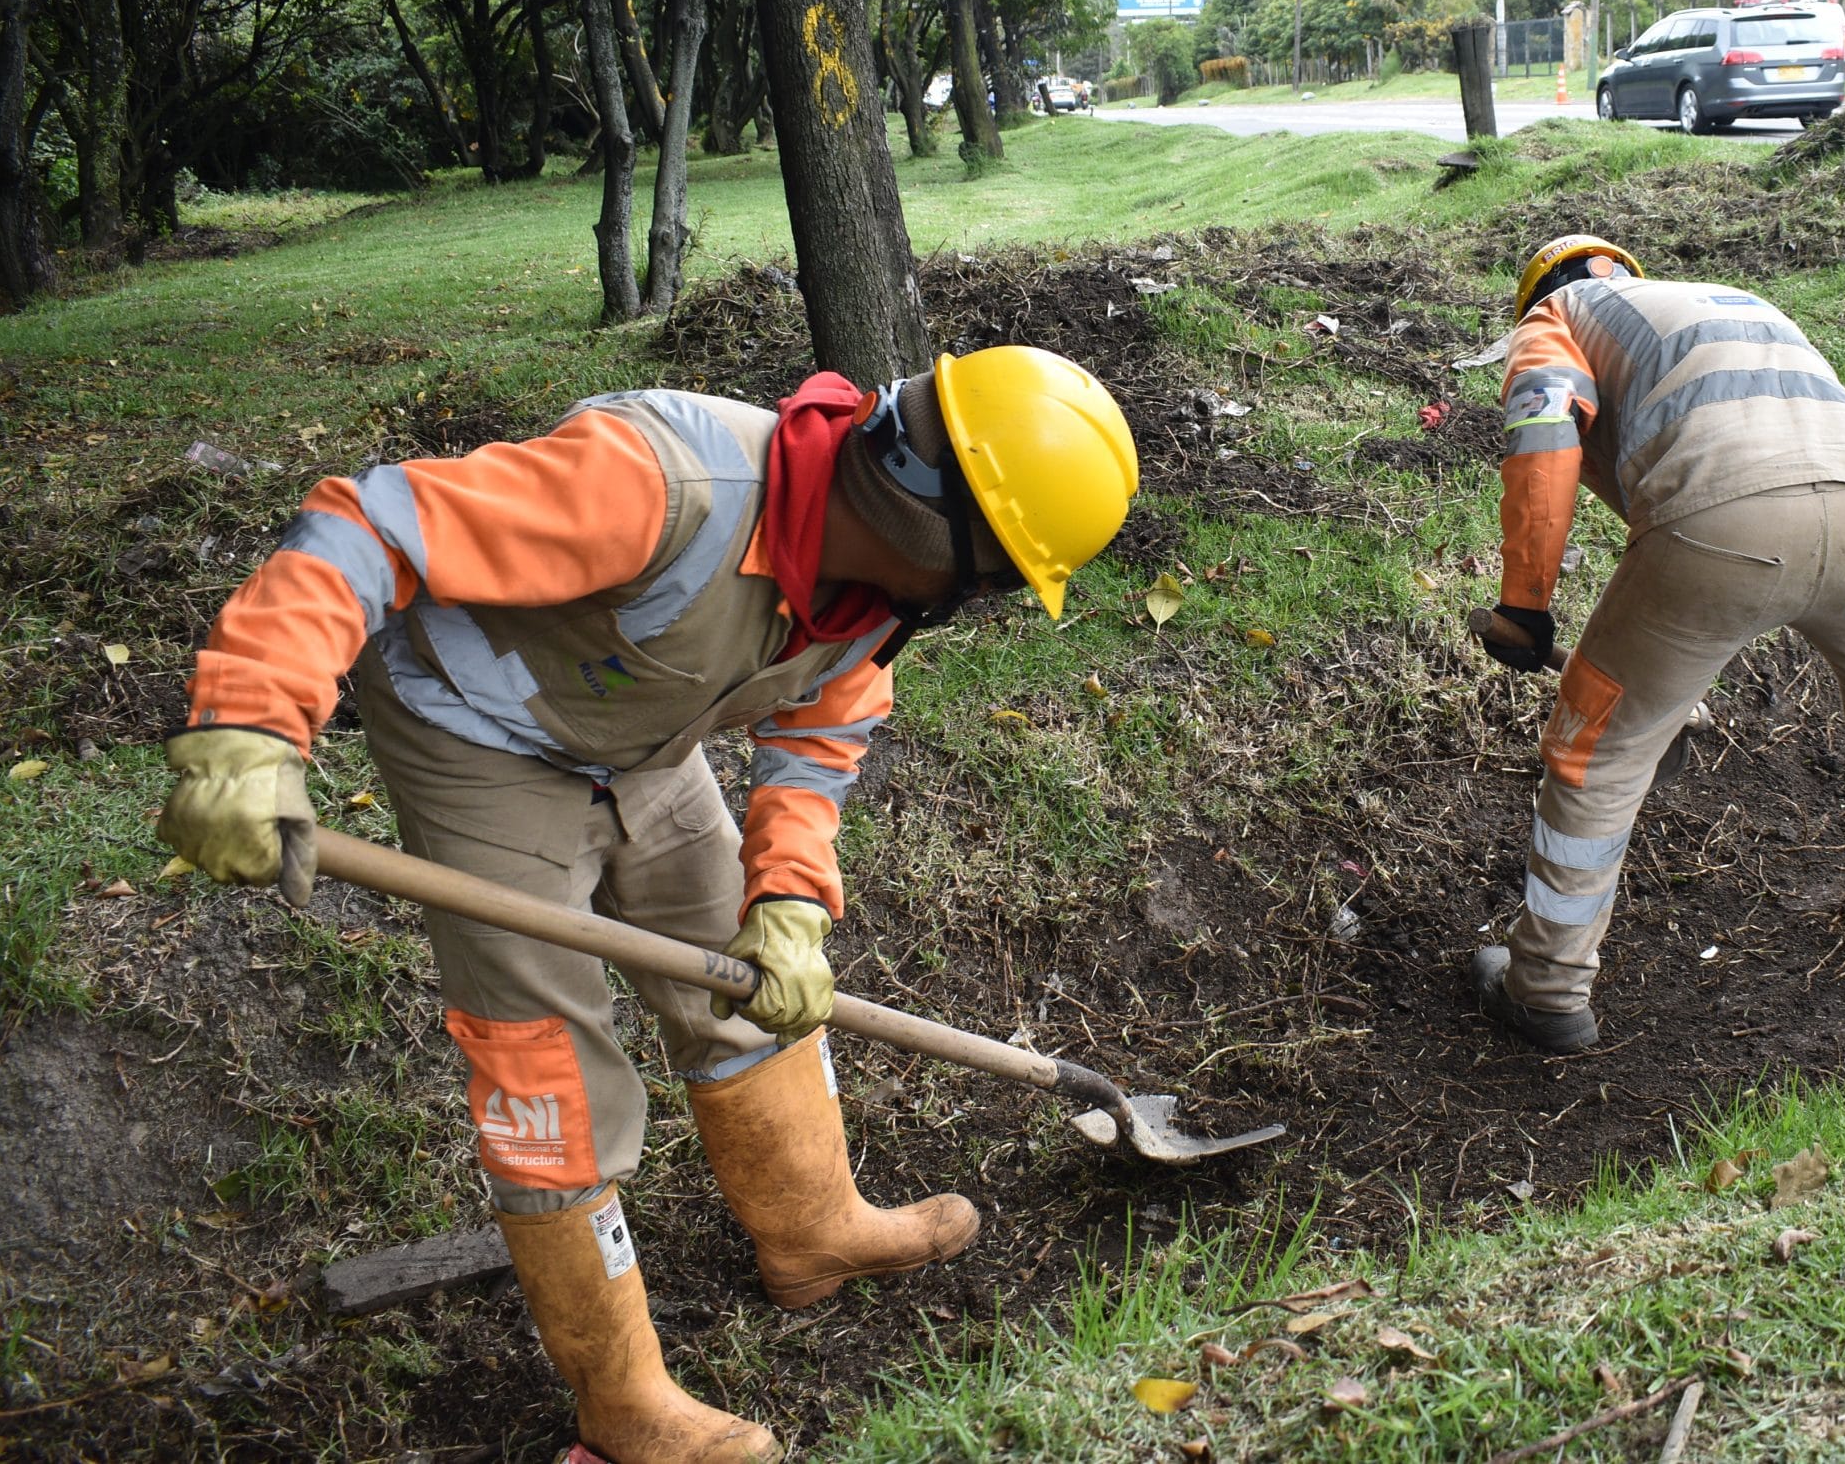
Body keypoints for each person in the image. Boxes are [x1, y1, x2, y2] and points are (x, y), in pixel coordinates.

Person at [156, 349, 1138, 1464]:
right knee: (549, 1072)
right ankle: (622, 1404)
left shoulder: (870, 596)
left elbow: (819, 735)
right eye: (1000, 577)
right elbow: (370, 524)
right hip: (476, 735)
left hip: (643, 733)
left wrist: (790, 902)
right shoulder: (659, 484)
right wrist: (248, 722)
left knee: (742, 973)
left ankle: (812, 1233)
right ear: (940, 538)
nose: (982, 605)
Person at [1471, 237, 1845, 1056]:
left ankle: (1547, 989)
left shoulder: (1555, 317)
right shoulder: (1725, 306)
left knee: (1596, 751)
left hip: (1723, 523)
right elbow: (1819, 447)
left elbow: (1544, 439)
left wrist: (1524, 607)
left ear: (1539, 291)